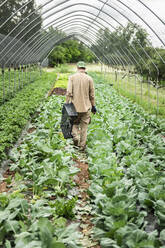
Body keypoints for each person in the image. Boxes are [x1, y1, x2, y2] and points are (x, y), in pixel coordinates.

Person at [66, 61, 96, 151]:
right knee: (84, 127)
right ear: (85, 68)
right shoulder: (89, 78)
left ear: (77, 68)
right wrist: (93, 106)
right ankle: (82, 146)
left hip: (74, 107)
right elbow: (92, 95)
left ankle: (75, 138)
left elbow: (69, 92)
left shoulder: (72, 78)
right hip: (86, 107)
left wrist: (67, 104)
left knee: (74, 124)